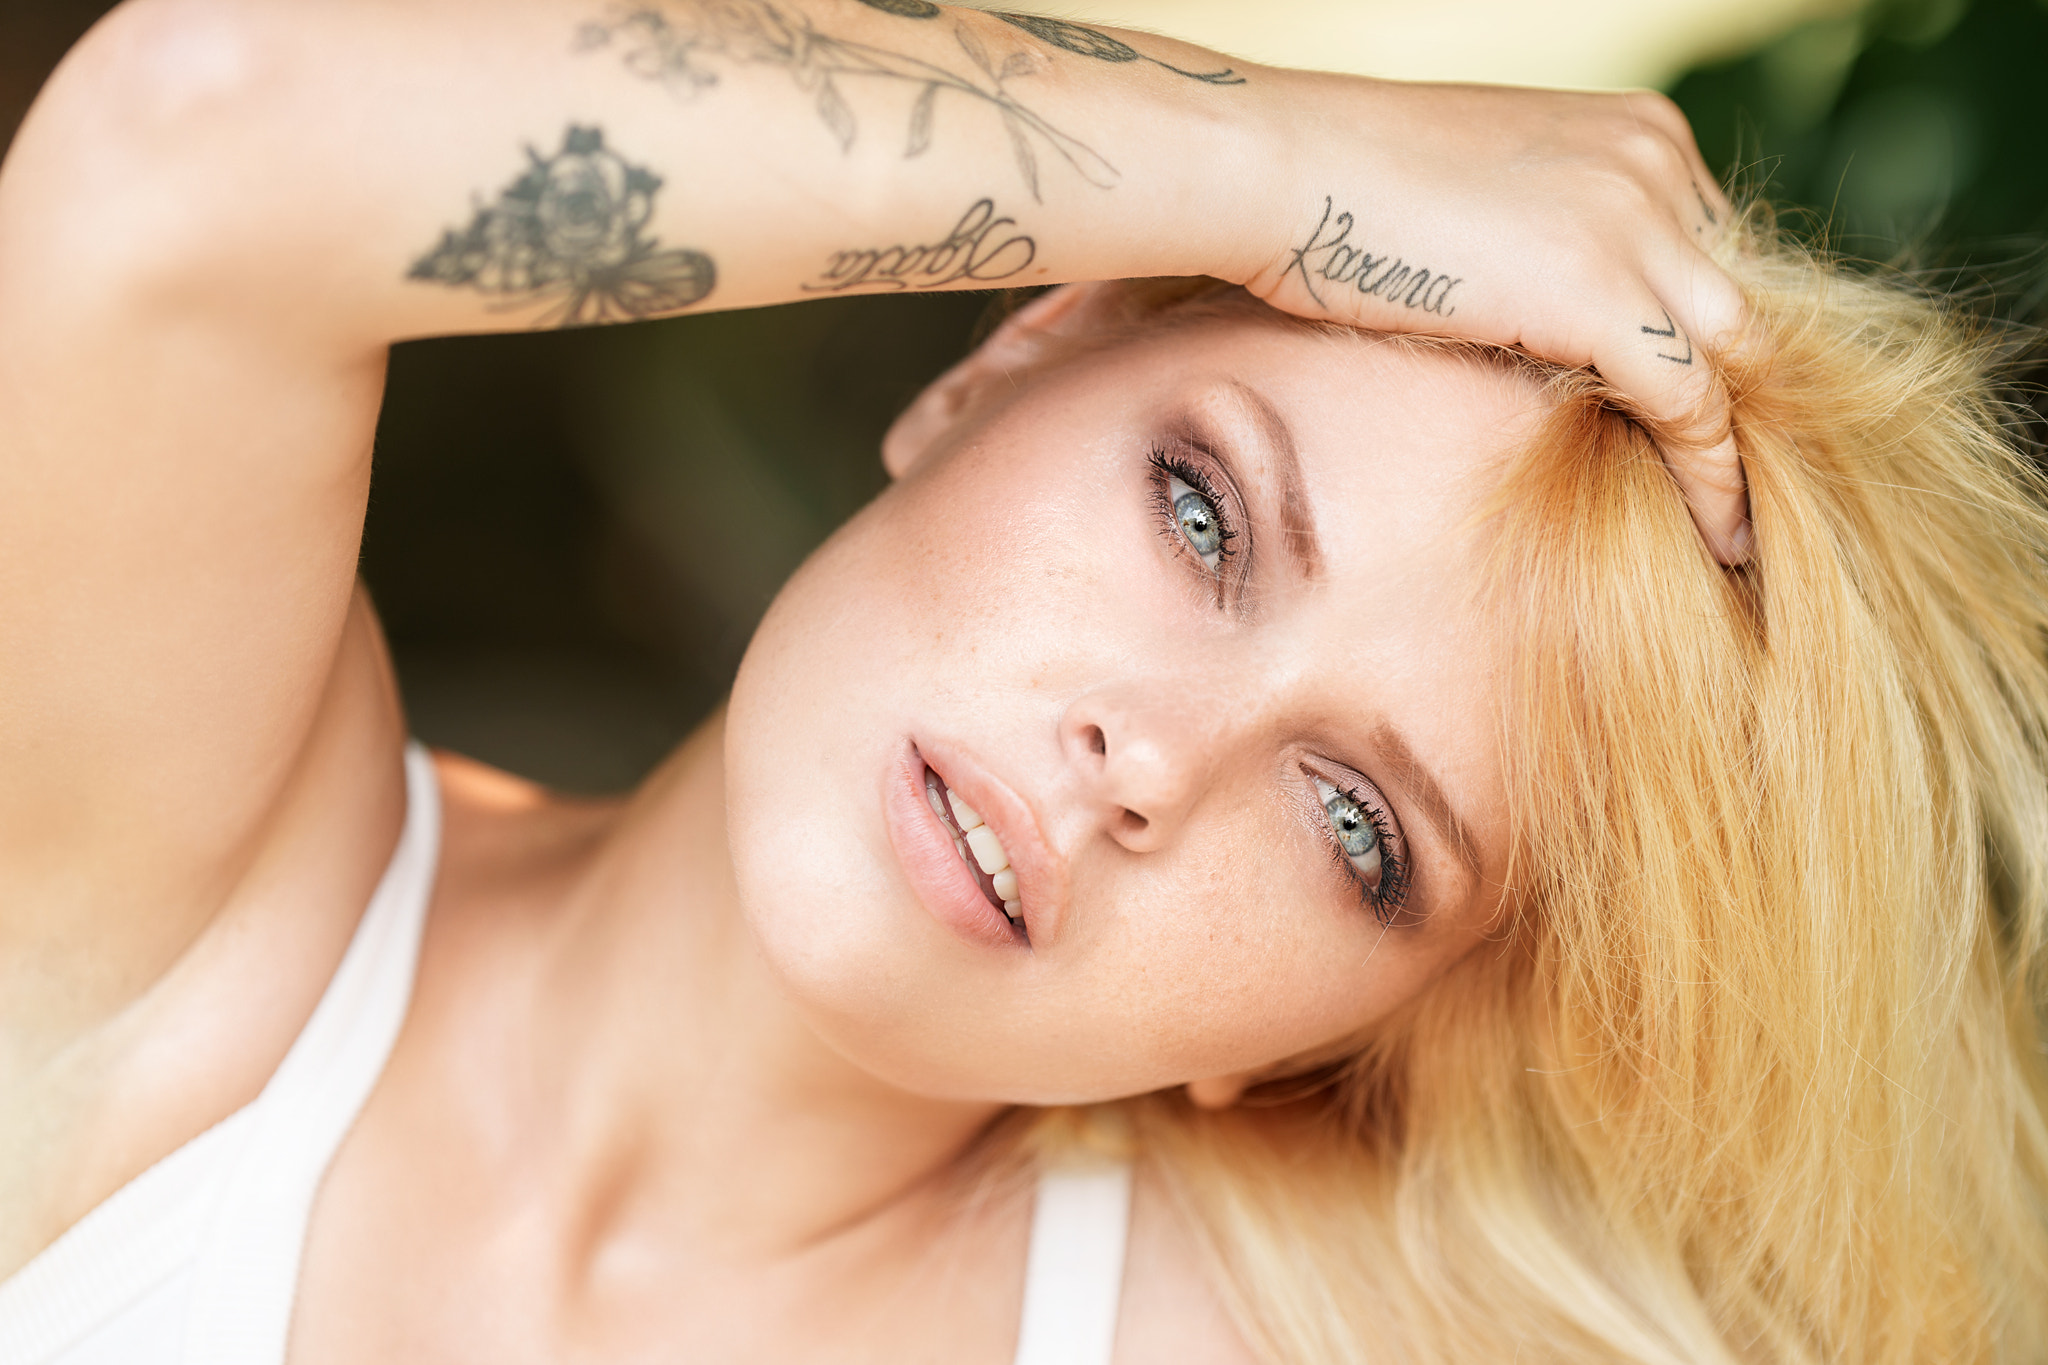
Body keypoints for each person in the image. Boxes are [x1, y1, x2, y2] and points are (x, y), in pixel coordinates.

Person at [2, 0, 2042, 1362]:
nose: (1150, 755)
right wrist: (1287, 159)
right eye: (1201, 511)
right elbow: (196, 140)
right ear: (1000, 367)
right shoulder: (190, 930)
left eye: (1357, 826)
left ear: (1324, 1042)